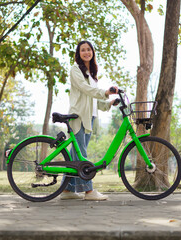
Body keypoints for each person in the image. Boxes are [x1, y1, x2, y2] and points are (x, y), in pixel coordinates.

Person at [60, 40, 118, 201]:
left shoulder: (90, 73)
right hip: (78, 116)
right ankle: (89, 191)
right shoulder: (75, 69)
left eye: (89, 49)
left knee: (74, 156)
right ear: (78, 54)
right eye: (83, 50)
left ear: (92, 52)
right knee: (81, 155)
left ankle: (67, 190)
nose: (86, 52)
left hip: (89, 117)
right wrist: (105, 92)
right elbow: (86, 89)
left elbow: (92, 98)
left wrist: (109, 103)